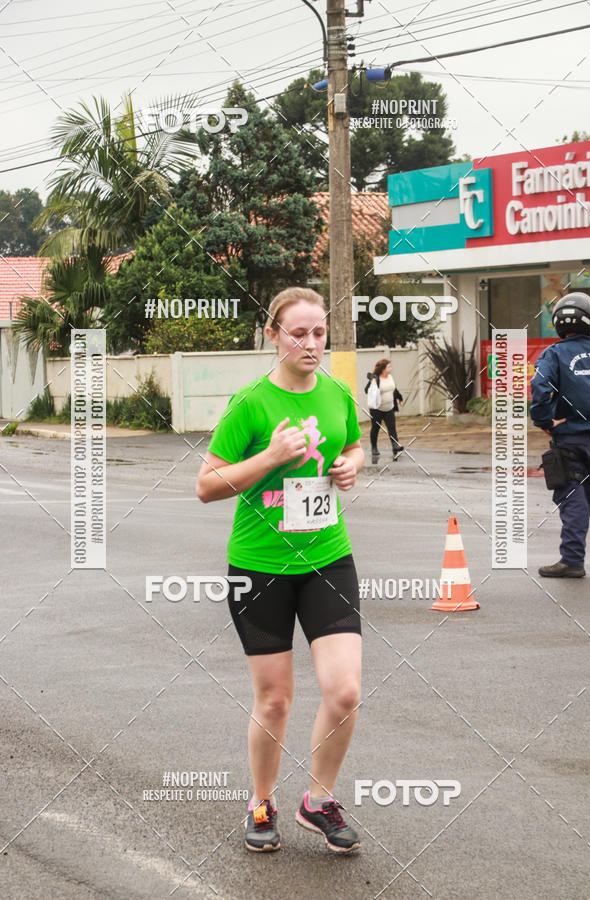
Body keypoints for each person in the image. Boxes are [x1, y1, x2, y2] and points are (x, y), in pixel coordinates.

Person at [196, 287, 364, 854]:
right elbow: (205, 486)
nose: (311, 343)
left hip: (326, 559)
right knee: (275, 700)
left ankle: (318, 801)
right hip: (260, 568)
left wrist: (348, 466)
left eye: (319, 332)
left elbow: (356, 445)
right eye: (298, 333)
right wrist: (269, 458)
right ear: (273, 336)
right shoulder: (251, 404)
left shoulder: (338, 394)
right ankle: (262, 800)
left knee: (344, 692)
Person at [530, 291, 590, 577]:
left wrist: (544, 420)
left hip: (570, 438)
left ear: (558, 322)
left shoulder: (554, 354)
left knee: (573, 498)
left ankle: (572, 560)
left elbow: (539, 388)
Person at [365, 358, 404, 463]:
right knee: (376, 428)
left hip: (389, 408)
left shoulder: (390, 377)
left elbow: (394, 390)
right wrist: (372, 380)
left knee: (392, 428)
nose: (391, 368)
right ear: (383, 369)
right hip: (377, 409)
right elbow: (366, 389)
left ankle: (395, 446)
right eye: (389, 367)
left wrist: (400, 398)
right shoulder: (376, 378)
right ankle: (374, 447)